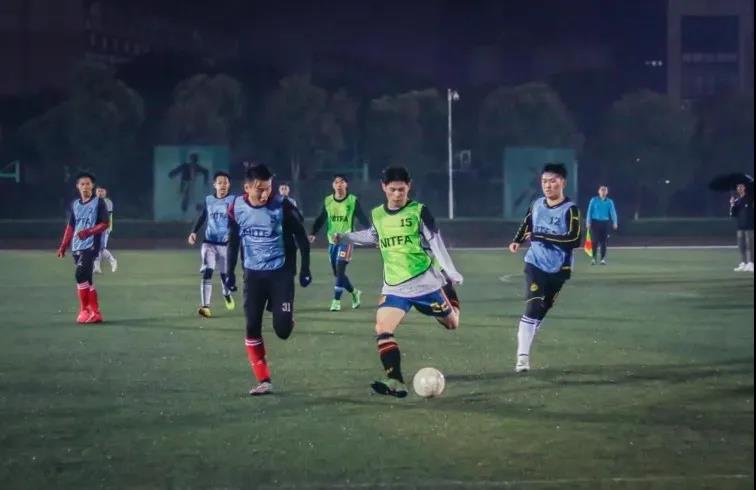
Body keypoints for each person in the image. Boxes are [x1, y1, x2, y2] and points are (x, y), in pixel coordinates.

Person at [334, 166, 463, 398]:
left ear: (409, 186)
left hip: (425, 284)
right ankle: (395, 380)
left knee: (452, 323)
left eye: (401, 190)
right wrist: (345, 237)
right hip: (395, 287)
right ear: (383, 187)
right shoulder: (377, 214)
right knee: (382, 328)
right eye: (392, 189)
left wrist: (450, 272)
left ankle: (447, 288)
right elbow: (372, 235)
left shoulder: (419, 211)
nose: (397, 194)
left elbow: (436, 242)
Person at [225, 164, 312, 396]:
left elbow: (301, 237)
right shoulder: (236, 208)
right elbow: (233, 241)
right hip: (253, 275)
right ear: (247, 188)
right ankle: (264, 380)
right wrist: (229, 272)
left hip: (280, 273)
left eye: (268, 188)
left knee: (282, 331)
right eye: (260, 189)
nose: (265, 194)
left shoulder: (282, 206)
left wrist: (305, 268)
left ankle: (285, 314)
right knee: (251, 326)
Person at [508, 163, 582, 373]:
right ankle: (522, 358)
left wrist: (541, 236)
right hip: (535, 263)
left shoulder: (571, 210)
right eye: (544, 181)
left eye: (552, 181)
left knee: (542, 310)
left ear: (563, 183)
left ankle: (529, 334)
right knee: (532, 306)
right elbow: (527, 223)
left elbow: (574, 239)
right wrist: (517, 240)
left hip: (559, 269)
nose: (548, 186)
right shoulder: (537, 204)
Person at [309, 175, 371, 311]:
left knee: (340, 267)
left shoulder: (352, 200)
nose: (339, 184)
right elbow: (321, 218)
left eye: (342, 182)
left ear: (346, 185)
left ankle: (336, 301)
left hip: (347, 240)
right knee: (338, 273)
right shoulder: (328, 201)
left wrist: (373, 234)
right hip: (332, 241)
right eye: (336, 182)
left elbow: (362, 217)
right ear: (333, 185)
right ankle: (354, 292)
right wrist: (313, 232)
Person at [56, 172, 111, 324]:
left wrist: (88, 232)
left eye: (88, 184)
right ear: (77, 186)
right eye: (82, 184)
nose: (85, 186)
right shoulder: (75, 204)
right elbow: (71, 226)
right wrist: (63, 246)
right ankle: (95, 312)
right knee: (87, 279)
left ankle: (84, 310)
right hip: (77, 246)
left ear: (92, 186)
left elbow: (105, 223)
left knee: (80, 275)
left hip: (91, 245)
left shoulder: (99, 203)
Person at [188, 171, 237, 318]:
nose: (223, 185)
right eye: (220, 182)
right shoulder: (209, 200)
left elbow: (239, 219)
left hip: (226, 245)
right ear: (215, 185)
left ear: (229, 185)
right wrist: (193, 232)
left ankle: (226, 294)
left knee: (224, 276)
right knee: (207, 271)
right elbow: (202, 216)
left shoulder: (233, 200)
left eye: (225, 182)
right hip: (209, 243)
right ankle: (205, 307)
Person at [586, 185, 618, 265]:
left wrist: (615, 222)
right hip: (595, 222)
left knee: (604, 242)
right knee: (594, 241)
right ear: (599, 191)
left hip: (605, 223)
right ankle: (593, 258)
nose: (603, 192)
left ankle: (602, 259)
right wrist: (588, 222)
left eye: (604, 190)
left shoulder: (609, 201)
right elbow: (589, 211)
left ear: (607, 192)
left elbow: (613, 212)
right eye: (602, 190)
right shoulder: (594, 200)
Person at [93, 187, 117, 274]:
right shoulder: (92, 202)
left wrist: (108, 228)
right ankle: (97, 267)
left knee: (101, 247)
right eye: (98, 191)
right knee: (95, 247)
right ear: (96, 192)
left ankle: (112, 260)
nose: (100, 193)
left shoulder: (108, 202)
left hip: (104, 227)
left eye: (102, 191)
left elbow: (109, 217)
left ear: (105, 192)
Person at [730, 183, 754, 272]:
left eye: (741, 187)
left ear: (744, 188)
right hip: (740, 226)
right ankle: (743, 263)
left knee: (750, 245)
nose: (739, 188)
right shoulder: (737, 201)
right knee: (741, 245)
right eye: (738, 187)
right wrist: (732, 204)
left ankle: (751, 263)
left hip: (749, 225)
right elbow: (733, 215)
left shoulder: (749, 198)